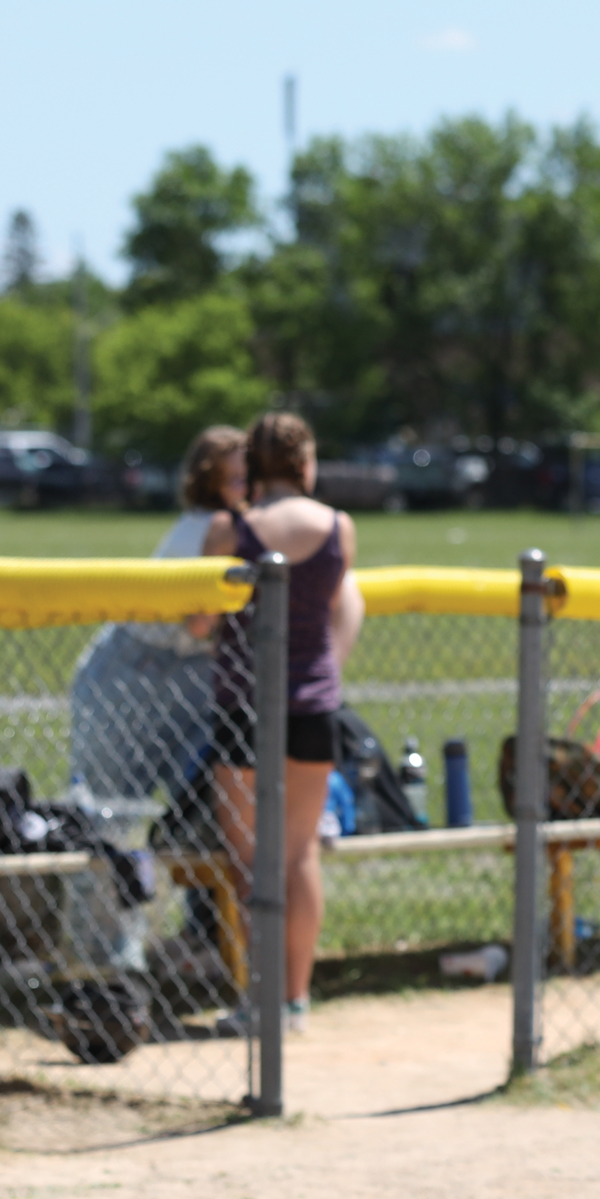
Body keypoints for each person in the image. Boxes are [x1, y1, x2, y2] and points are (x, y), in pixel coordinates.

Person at [205, 412, 359, 1030]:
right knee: (299, 856)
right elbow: (331, 602)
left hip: (245, 705)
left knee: (250, 860)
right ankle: (295, 1000)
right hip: (314, 706)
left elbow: (201, 618)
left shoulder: (231, 528)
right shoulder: (338, 526)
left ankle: (261, 1001)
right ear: (303, 464)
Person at [69, 426, 242, 809]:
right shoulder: (220, 528)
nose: (245, 488)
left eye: (249, 478)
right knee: (109, 805)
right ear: (208, 482)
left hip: (185, 668)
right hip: (138, 668)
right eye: (234, 479)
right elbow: (201, 624)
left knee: (194, 802)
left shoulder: (211, 522)